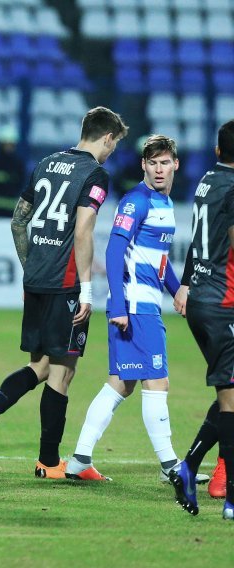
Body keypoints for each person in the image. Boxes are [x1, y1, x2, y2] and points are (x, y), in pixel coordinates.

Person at [0, 107, 128, 479]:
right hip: (66, 283)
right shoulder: (96, 174)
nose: (112, 152)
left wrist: (31, 266)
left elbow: (19, 219)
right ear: (106, 138)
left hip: (37, 280)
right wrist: (87, 290)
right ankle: (49, 462)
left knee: (40, 365)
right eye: (114, 144)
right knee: (63, 371)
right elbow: (84, 229)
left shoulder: (46, 163)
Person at [64, 135, 208, 484]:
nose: (159, 169)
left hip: (144, 303)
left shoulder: (164, 202)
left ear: (175, 164)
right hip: (135, 306)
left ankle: (79, 458)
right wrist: (118, 305)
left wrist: (178, 291)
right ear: (143, 165)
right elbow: (114, 252)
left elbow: (158, 260)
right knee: (157, 382)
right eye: (152, 163)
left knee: (122, 383)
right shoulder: (136, 202)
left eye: (165, 162)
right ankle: (170, 465)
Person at [169, 120, 234, 520]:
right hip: (223, 301)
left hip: (202, 298)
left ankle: (190, 466)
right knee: (229, 400)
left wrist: (186, 284)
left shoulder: (208, 180)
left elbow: (198, 240)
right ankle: (228, 499)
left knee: (230, 393)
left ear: (217, 152)